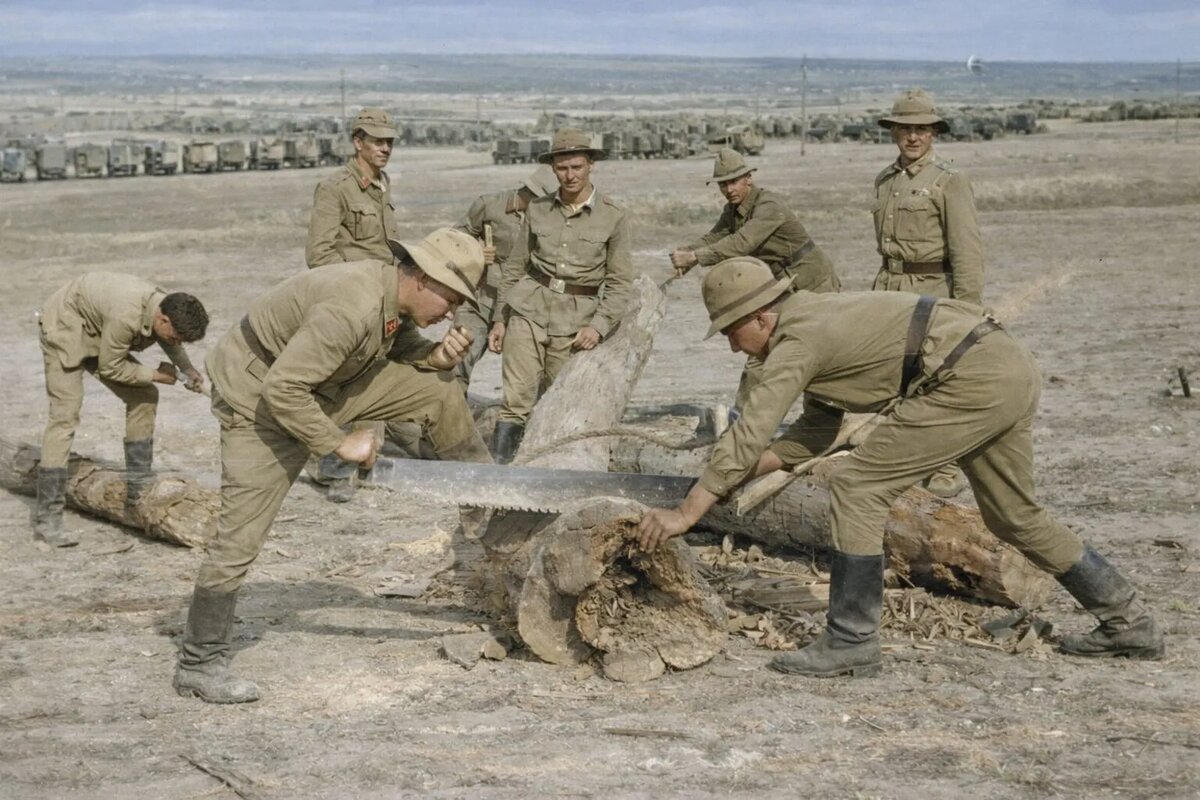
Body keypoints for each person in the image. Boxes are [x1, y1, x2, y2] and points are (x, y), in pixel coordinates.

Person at [638, 257, 1164, 678]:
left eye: (731, 331)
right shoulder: (810, 321)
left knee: (858, 486)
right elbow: (816, 432)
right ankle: (1128, 620)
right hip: (1001, 367)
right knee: (1012, 516)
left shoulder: (797, 340)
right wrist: (741, 476)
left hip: (966, 377)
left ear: (760, 317)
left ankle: (851, 639)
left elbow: (751, 431)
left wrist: (687, 511)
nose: (732, 346)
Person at [174, 228, 491, 704]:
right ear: (423, 279)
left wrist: (433, 354)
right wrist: (337, 442)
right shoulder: (352, 306)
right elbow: (283, 391)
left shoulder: (389, 295)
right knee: (239, 539)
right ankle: (199, 662)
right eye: (451, 300)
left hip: (319, 385)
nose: (451, 314)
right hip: (257, 400)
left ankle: (488, 498)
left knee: (439, 388)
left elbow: (393, 342)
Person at [487, 128, 632, 464]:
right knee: (516, 400)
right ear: (553, 169)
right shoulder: (537, 209)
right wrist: (499, 318)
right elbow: (514, 268)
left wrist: (597, 326)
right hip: (528, 311)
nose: (570, 175)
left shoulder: (613, 216)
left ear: (591, 165)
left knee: (561, 400)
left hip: (576, 323)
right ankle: (502, 477)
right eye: (562, 168)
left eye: (577, 167)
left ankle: (550, 471)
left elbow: (620, 282)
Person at [34, 273, 208, 547]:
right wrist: (157, 375)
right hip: (65, 328)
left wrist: (187, 369)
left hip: (102, 333)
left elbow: (167, 341)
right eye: (177, 337)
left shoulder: (162, 305)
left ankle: (137, 493)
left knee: (145, 397)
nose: (176, 342)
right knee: (64, 417)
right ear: (163, 320)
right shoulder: (127, 316)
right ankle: (48, 519)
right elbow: (111, 367)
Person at [872, 89, 985, 497]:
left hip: (934, 294)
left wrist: (967, 312)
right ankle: (900, 461)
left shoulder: (950, 182)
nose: (913, 137)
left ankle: (945, 466)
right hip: (890, 289)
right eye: (906, 128)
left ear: (934, 133)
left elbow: (967, 252)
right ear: (894, 132)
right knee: (891, 379)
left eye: (922, 129)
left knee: (937, 379)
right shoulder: (885, 181)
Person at [670, 147, 840, 417]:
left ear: (749, 178)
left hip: (812, 282)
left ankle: (821, 424)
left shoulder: (768, 206)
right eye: (723, 184)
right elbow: (714, 237)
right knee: (761, 350)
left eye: (733, 181)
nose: (728, 189)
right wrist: (687, 253)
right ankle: (744, 420)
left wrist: (695, 257)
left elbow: (741, 243)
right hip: (782, 285)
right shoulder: (733, 210)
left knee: (820, 352)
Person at [452, 165, 558, 393]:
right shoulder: (489, 205)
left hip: (519, 308)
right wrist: (476, 250)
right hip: (479, 302)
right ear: (530, 193)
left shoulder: (549, 221)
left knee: (525, 376)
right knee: (457, 363)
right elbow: (453, 240)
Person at [305, 107, 399, 268]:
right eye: (378, 142)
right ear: (358, 143)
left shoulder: (383, 183)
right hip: (359, 286)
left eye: (389, 142)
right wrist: (357, 281)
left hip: (388, 280)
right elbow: (319, 255)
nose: (386, 149)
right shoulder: (335, 188)